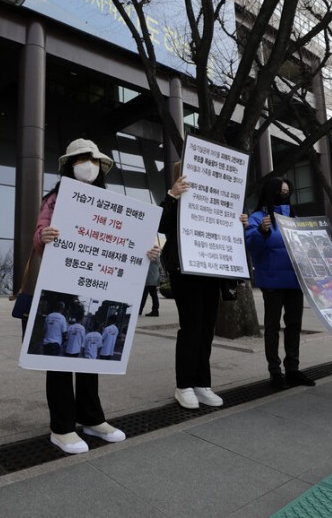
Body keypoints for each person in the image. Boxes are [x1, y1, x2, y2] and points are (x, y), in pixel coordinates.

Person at [32, 138, 160, 454]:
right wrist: (42, 236)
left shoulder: (111, 202)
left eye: (91, 159)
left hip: (98, 284)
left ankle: (91, 417)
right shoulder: (53, 199)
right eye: (80, 159)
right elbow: (38, 235)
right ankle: (61, 427)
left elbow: (130, 241)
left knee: (89, 357)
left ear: (100, 167)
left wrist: (149, 251)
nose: (86, 164)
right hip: (63, 280)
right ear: (68, 165)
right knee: (59, 358)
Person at [159, 166, 225, 410]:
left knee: (207, 327)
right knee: (192, 326)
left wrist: (238, 222)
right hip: (184, 270)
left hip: (211, 268)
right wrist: (172, 195)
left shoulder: (213, 200)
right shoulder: (174, 198)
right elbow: (161, 224)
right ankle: (184, 385)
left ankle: (202, 383)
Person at [244, 178, 315, 391]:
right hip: (272, 279)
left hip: (295, 280)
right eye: (280, 191)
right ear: (271, 193)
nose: (284, 195)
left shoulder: (294, 217)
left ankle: (292, 369)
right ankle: (275, 371)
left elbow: (307, 246)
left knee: (294, 325)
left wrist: (326, 243)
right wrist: (262, 232)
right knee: (272, 326)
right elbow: (251, 247)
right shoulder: (258, 218)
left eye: (287, 191)